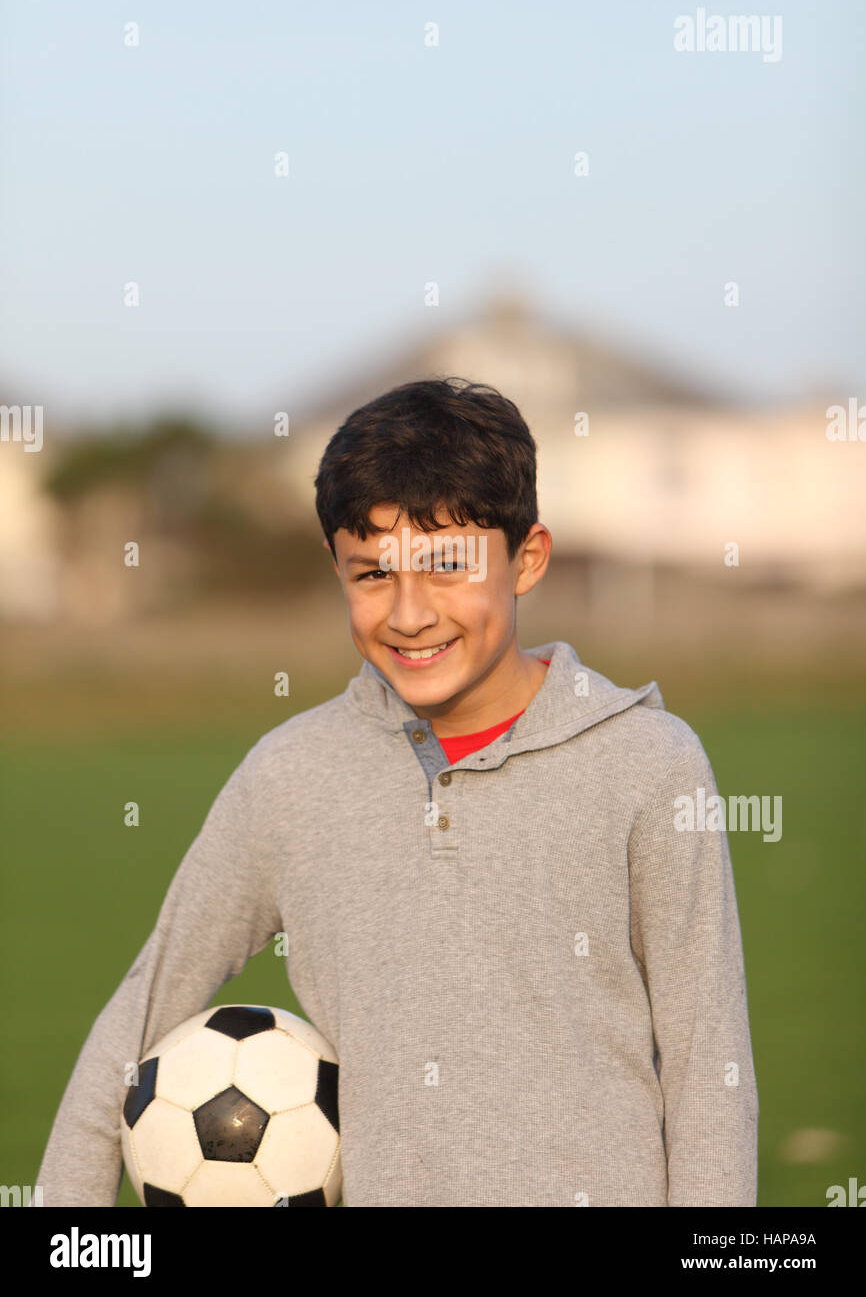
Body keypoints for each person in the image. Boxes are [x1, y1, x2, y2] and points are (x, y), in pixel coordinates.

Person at [33, 376, 758, 1206]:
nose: (410, 614)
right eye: (373, 575)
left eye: (447, 567)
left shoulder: (650, 764)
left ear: (527, 558)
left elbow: (710, 1071)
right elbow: (139, 1016)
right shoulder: (290, 776)